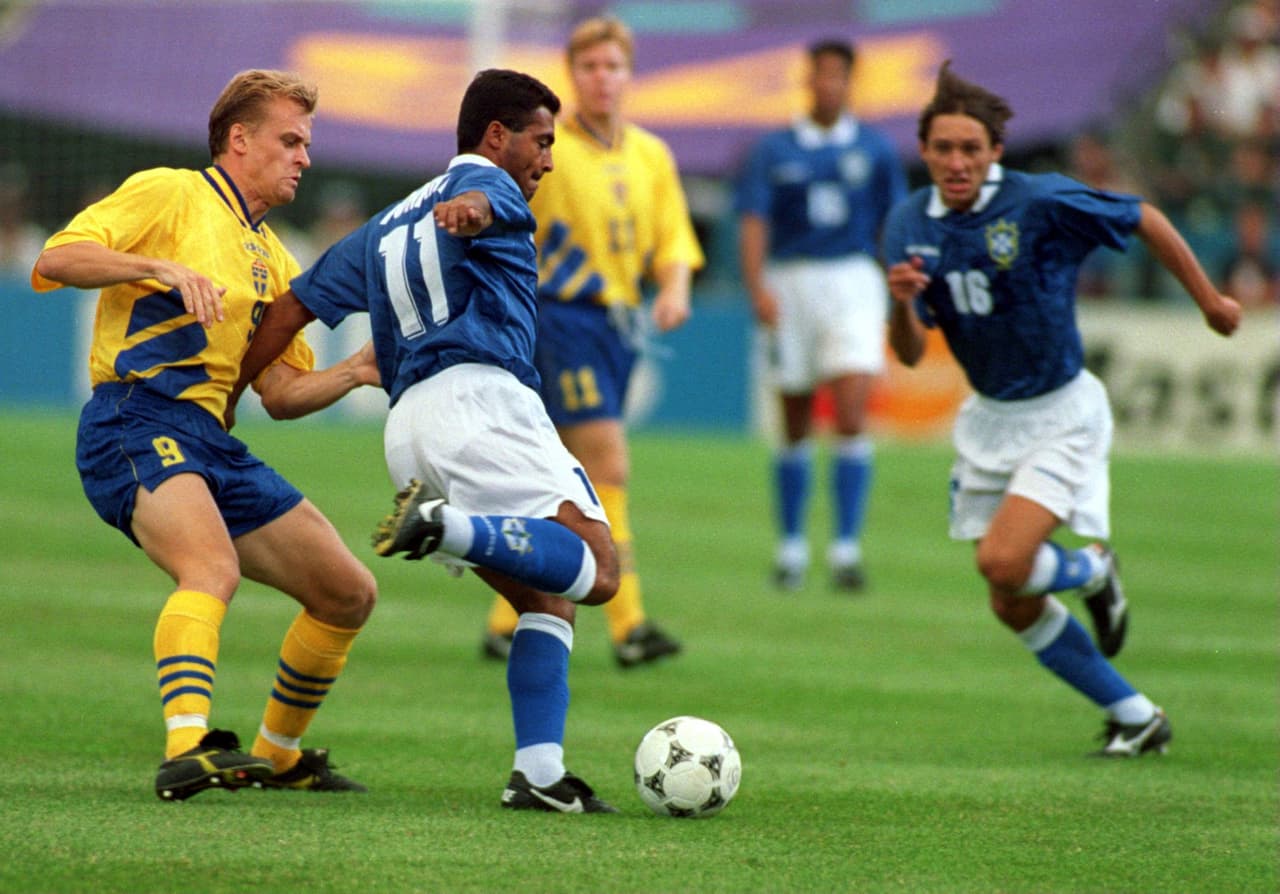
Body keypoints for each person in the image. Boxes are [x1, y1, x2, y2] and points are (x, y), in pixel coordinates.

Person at [230, 69, 623, 813]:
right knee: (600, 570)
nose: (547, 161)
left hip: (407, 427)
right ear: (497, 136)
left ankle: (538, 775)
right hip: (483, 402)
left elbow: (286, 311)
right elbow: (482, 202)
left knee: (548, 599)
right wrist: (473, 212)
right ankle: (446, 526)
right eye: (541, 142)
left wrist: (230, 394)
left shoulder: (382, 226)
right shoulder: (490, 184)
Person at [30, 69, 380, 799]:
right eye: (290, 140)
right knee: (210, 569)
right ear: (239, 139)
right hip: (135, 416)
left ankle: (279, 755)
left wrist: (355, 372)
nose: (304, 157)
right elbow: (56, 258)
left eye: (306, 143)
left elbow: (280, 395)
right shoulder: (171, 192)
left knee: (348, 592)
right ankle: (187, 747)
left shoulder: (276, 259)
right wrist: (155, 265)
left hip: (212, 442)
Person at [881, 62, 1241, 757]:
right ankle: (1137, 716)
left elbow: (1143, 217)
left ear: (995, 152)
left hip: (1061, 414)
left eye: (970, 148)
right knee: (1010, 599)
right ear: (924, 151)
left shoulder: (1038, 201)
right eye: (943, 148)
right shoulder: (907, 223)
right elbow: (909, 351)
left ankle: (1092, 569)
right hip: (990, 418)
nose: (956, 162)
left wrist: (1210, 302)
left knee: (1003, 562)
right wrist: (899, 303)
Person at [479, 17, 704, 667]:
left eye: (613, 66)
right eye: (590, 67)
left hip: (618, 325)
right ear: (572, 74)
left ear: (629, 73)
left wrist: (674, 289)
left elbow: (674, 239)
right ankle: (629, 627)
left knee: (549, 473)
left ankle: (504, 619)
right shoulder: (547, 151)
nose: (602, 78)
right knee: (607, 468)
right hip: (560, 318)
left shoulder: (651, 154)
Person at [735, 38, 907, 592]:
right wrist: (757, 287)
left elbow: (894, 222)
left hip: (854, 278)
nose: (828, 84)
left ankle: (845, 550)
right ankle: (790, 549)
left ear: (851, 82)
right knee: (794, 417)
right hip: (791, 280)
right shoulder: (774, 149)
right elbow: (754, 220)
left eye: (839, 75)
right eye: (820, 74)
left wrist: (901, 284)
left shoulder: (876, 149)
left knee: (852, 410)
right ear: (807, 80)